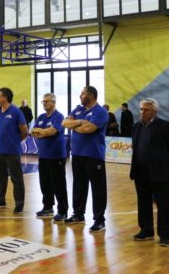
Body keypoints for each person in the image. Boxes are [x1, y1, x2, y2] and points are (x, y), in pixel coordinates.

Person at [130, 98, 169, 247]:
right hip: (140, 171)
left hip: (160, 172)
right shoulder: (136, 126)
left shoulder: (165, 126)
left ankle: (164, 235)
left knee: (164, 205)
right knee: (143, 203)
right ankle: (146, 230)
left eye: (146, 110)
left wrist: (161, 162)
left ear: (155, 112)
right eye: (141, 109)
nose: (142, 112)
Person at [62, 86, 109, 232]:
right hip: (77, 155)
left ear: (91, 95)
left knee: (98, 189)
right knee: (79, 186)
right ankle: (78, 214)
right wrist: (80, 122)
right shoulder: (77, 110)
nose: (80, 96)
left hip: (94, 155)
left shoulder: (100, 112)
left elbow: (89, 129)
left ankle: (99, 220)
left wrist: (75, 124)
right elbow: (64, 123)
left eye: (82, 93)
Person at [0, 88, 28, 212]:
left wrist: (15, 142)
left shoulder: (16, 111)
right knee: (0, 177)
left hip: (12, 151)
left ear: (5, 98)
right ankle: (0, 200)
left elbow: (24, 131)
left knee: (16, 178)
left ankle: (19, 204)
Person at [31, 93, 68, 222]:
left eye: (46, 101)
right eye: (43, 101)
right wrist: (43, 132)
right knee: (45, 183)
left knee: (58, 184)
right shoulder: (41, 117)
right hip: (43, 155)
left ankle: (63, 211)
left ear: (53, 102)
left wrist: (42, 132)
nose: (44, 103)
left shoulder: (59, 116)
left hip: (56, 156)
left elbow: (51, 132)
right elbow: (33, 132)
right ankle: (47, 207)